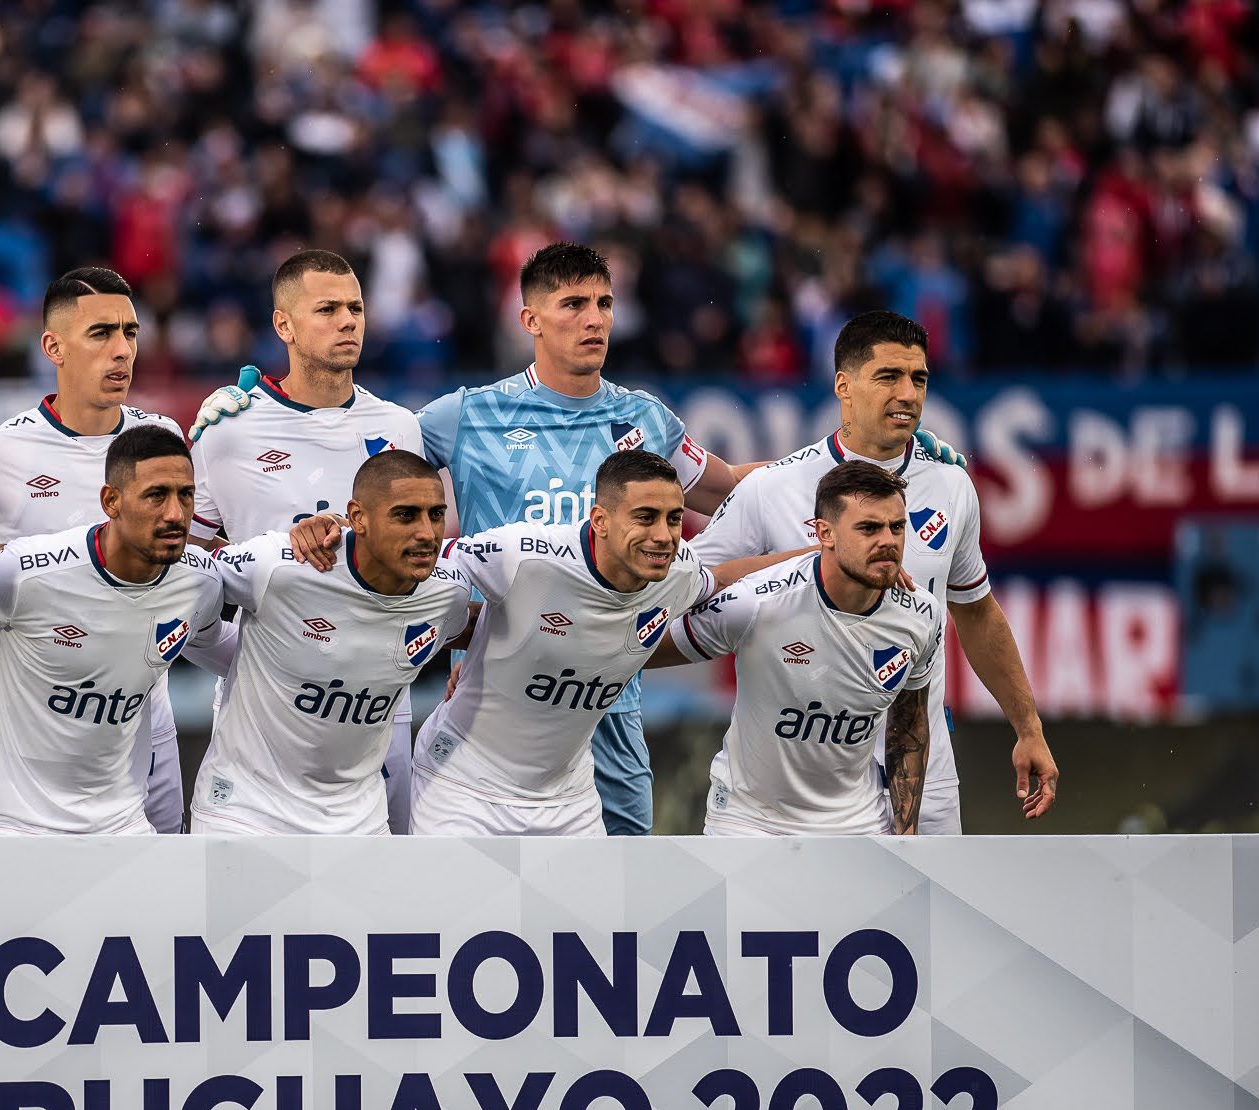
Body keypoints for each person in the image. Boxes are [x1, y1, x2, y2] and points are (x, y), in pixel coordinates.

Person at [200, 242, 966, 837]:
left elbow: (738, 483)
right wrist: (244, 408)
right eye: (574, 304)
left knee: (612, 908)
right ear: (531, 319)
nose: (595, 318)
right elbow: (367, 487)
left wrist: (879, 463)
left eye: (604, 302)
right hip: (498, 693)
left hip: (611, 696)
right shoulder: (458, 418)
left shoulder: (645, 419)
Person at [687, 310, 1056, 827]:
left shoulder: (952, 487)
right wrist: (803, 562)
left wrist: (1028, 727)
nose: (908, 393)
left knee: (924, 908)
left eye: (919, 378)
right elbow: (685, 585)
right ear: (844, 385)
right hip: (804, 784)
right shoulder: (773, 488)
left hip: (922, 765)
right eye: (888, 376)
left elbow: (976, 613)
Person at [413, 450, 774, 836]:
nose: (664, 535)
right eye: (645, 517)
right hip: (462, 790)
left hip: (569, 801)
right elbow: (416, 562)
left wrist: (822, 559)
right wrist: (343, 537)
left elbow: (721, 580)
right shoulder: (524, 554)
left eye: (673, 519)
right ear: (600, 520)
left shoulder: (677, 570)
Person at [0, 267, 193, 832]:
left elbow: (199, 561)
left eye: (130, 334)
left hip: (143, 722)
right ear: (53, 347)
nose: (122, 351)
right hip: (33, 735)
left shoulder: (165, 438)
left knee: (151, 900)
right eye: (101, 334)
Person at [187, 249, 424, 830]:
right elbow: (183, 575)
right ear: (284, 325)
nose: (348, 321)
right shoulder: (227, 431)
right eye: (328, 309)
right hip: (262, 718)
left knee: (379, 903)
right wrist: (243, 661)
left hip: (378, 711)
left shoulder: (399, 428)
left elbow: (424, 576)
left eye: (356, 308)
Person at [648, 463, 943, 836]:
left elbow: (908, 725)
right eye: (869, 528)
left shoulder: (923, 613)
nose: (888, 540)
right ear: (824, 533)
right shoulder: (756, 602)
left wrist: (907, 832)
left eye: (897, 527)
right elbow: (642, 651)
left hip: (860, 823)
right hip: (749, 822)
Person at [0, 425, 221, 835]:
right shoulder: (25, 572)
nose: (175, 514)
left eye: (185, 495)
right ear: (110, 501)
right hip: (7, 820)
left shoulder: (201, 582)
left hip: (120, 821)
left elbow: (227, 644)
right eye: (156, 496)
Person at [194, 450, 471, 835]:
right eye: (405, 515)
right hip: (246, 810)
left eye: (436, 514)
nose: (426, 533)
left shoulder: (449, 592)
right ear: (358, 517)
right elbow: (182, 578)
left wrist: (476, 667)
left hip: (359, 818)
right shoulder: (280, 564)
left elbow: (487, 626)